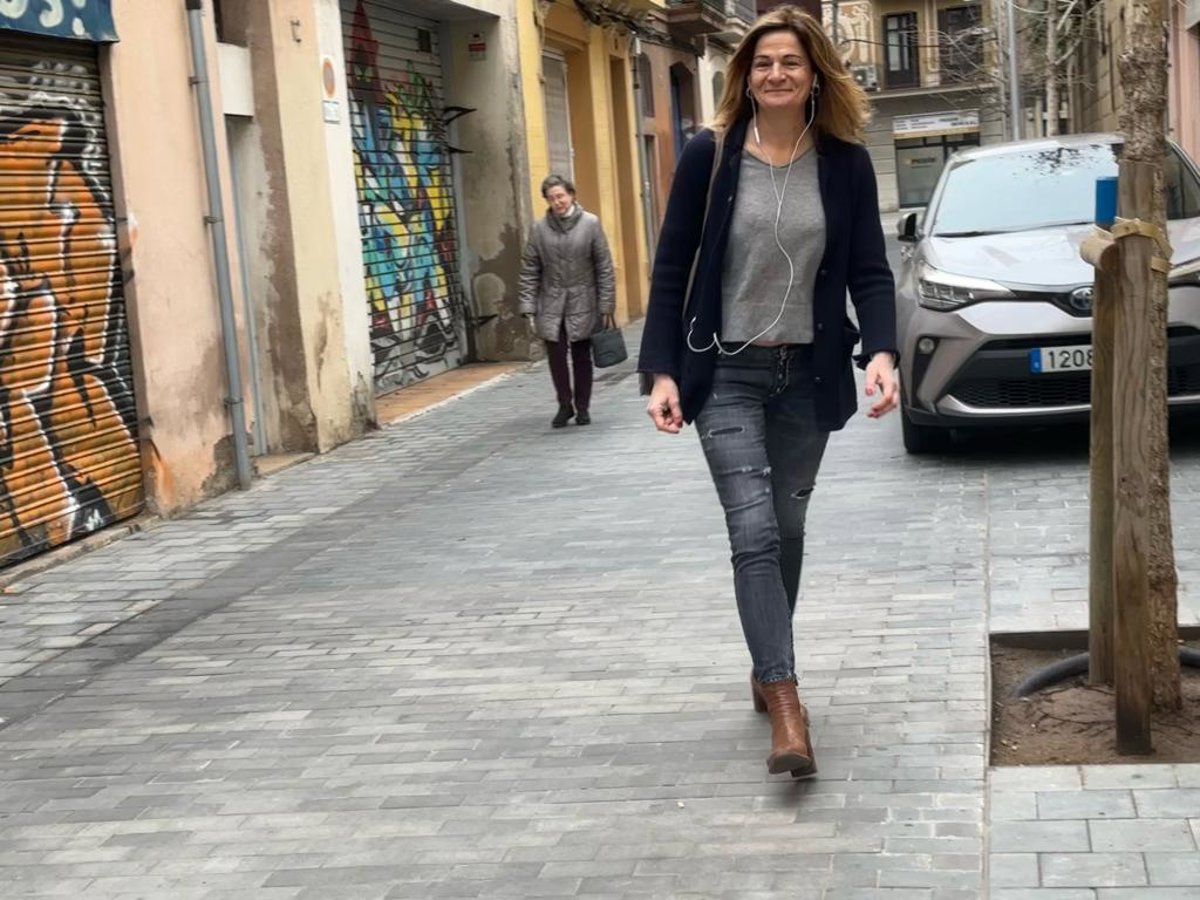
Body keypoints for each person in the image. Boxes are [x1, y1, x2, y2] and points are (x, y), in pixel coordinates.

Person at [637, 5, 898, 778]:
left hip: (806, 374)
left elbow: (870, 271)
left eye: (790, 62)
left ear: (814, 74)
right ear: (745, 77)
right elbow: (672, 266)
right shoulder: (711, 155)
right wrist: (659, 371)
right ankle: (786, 701)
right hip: (726, 373)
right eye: (763, 63)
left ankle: (765, 660)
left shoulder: (845, 163)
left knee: (786, 527)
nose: (776, 73)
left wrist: (882, 351)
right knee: (751, 533)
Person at [519, 175, 616, 428]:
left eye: (561, 196)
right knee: (556, 355)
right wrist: (528, 306)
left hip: (583, 299)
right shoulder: (539, 229)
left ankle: (583, 407)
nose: (557, 202)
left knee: (582, 356)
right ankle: (565, 404)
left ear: (571, 195)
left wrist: (606, 304)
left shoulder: (590, 223)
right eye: (552, 198)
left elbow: (604, 266)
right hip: (551, 301)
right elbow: (530, 268)